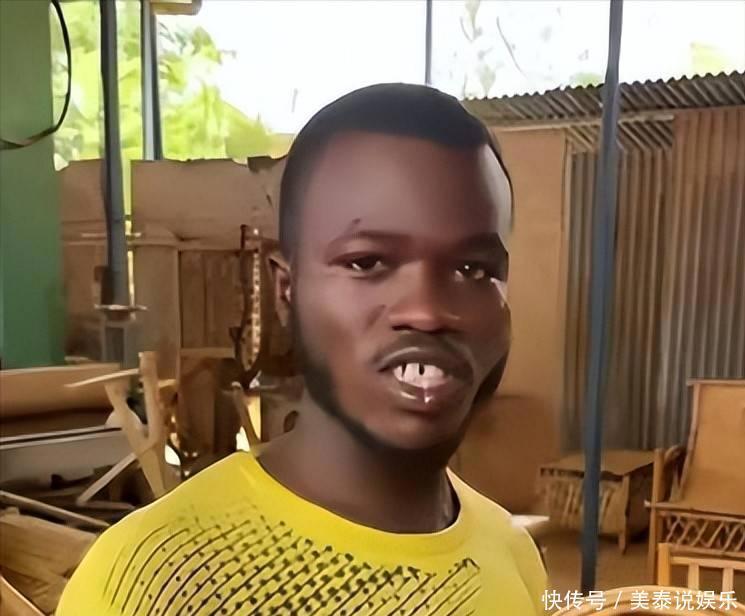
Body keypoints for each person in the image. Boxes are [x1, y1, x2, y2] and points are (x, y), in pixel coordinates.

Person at [58, 83, 546, 615]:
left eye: (473, 269)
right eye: (367, 262)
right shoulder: (155, 582)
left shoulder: (513, 554)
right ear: (287, 291)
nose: (427, 312)